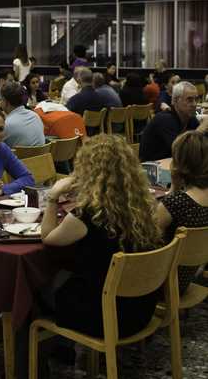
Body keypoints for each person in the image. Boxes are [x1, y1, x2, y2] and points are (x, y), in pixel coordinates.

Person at [40, 134, 163, 338]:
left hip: (105, 316)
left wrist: (52, 198)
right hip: (141, 308)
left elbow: (48, 238)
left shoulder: (88, 215)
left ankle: (41, 356)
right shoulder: (142, 203)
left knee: (36, 284)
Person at [156, 131, 208, 295]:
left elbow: (143, 237)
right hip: (189, 276)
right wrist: (175, 188)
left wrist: (172, 189)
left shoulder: (175, 204)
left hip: (161, 284)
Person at [140, 81, 208, 161]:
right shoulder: (164, 120)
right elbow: (181, 151)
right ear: (174, 101)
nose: (194, 104)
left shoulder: (190, 118)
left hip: (174, 165)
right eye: (189, 100)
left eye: (196, 99)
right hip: (153, 168)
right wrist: (200, 130)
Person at [1, 82, 45, 148]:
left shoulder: (7, 124)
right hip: (42, 157)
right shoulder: (35, 116)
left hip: (20, 158)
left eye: (1, 99)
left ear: (5, 101)